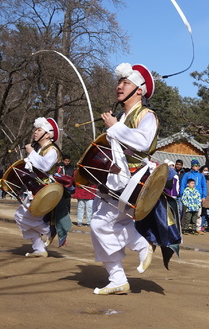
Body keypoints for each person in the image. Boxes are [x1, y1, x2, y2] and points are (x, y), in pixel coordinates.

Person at [89, 63, 160, 295]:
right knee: (101, 226)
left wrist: (115, 127)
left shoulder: (147, 115)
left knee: (100, 224)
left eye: (126, 82)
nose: (119, 86)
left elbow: (143, 143)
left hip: (133, 181)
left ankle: (141, 244)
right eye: (119, 82)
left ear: (139, 89)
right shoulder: (123, 116)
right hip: (115, 179)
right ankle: (117, 278)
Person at [13, 117, 62, 258]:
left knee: (23, 216)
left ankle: (48, 231)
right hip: (35, 188)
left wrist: (31, 153)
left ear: (47, 134)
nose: (35, 132)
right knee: (21, 217)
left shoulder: (52, 149)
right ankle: (39, 248)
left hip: (45, 189)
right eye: (36, 129)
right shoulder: (41, 149)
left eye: (39, 130)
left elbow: (45, 166)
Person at [199, 165, 209, 232]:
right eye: (204, 170)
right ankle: (198, 226)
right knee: (199, 213)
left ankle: (202, 226)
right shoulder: (199, 178)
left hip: (207, 198)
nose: (206, 172)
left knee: (204, 212)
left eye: (207, 170)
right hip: (199, 197)